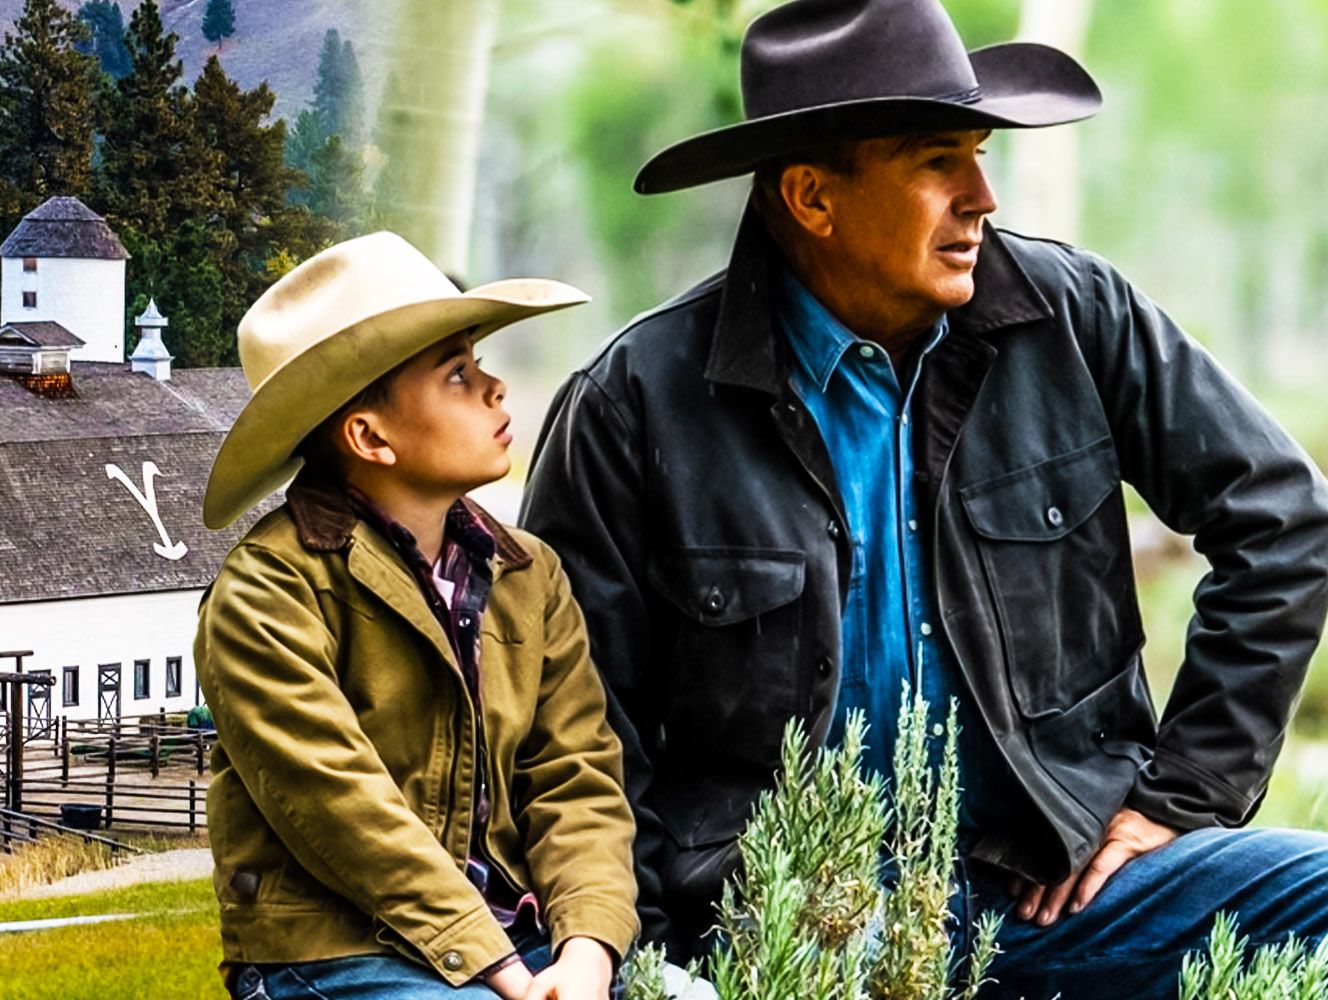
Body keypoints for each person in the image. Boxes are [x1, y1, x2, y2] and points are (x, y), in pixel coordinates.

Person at [519, 0, 1328, 996]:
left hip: (1051, 894)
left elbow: (1283, 519)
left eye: (978, 154)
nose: (980, 196)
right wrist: (637, 959)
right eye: (936, 160)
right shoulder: (630, 406)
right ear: (812, 197)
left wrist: (1180, 797)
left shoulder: (1074, 315)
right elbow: (574, 727)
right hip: (777, 928)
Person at [196, 232, 640, 999]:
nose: (496, 388)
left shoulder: (529, 577)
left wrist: (587, 953)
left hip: (519, 942)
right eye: (459, 376)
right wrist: (500, 970)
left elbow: (576, 778)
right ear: (371, 436)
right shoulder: (266, 594)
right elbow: (342, 810)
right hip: (338, 951)